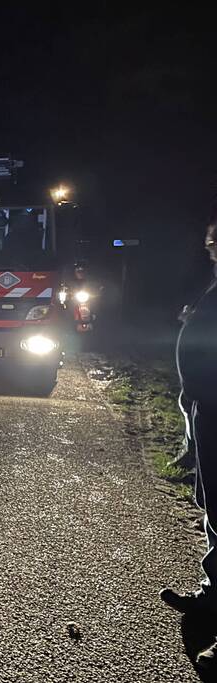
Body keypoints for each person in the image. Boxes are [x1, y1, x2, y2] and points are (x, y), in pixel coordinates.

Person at [160, 220, 217, 668]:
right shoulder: (213, 285)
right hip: (206, 410)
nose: (210, 245)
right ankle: (213, 596)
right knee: (214, 509)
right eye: (210, 239)